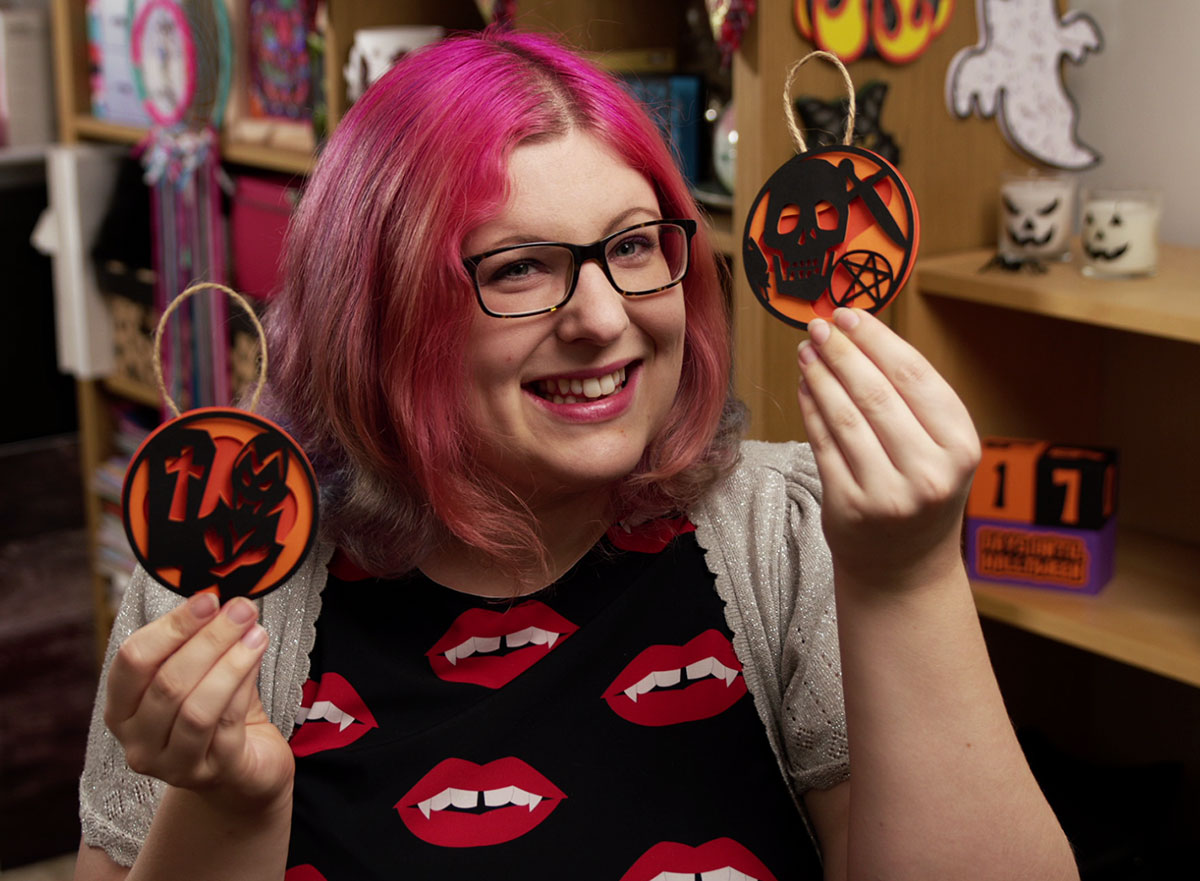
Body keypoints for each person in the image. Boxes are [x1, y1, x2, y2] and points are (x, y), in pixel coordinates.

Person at [74, 27, 1079, 881]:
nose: (606, 318)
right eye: (518, 267)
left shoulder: (798, 530)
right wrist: (228, 807)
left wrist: (907, 579)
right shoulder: (219, 599)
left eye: (635, 245)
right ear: (375, 314)